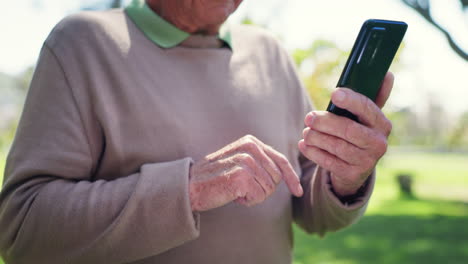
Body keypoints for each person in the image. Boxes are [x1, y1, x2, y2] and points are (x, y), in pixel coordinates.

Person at [0, 0, 393, 263]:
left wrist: (345, 178)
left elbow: (311, 208)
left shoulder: (270, 52)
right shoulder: (82, 42)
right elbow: (21, 231)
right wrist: (189, 189)